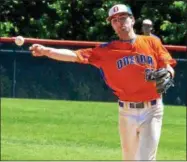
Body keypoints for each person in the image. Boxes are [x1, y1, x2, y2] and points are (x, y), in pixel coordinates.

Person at [29, 4, 176, 161]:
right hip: (126, 112)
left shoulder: (151, 43)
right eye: (114, 20)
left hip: (152, 110)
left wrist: (168, 73)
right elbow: (73, 55)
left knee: (145, 159)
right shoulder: (107, 51)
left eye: (123, 18)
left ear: (132, 20)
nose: (119, 22)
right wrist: (46, 51)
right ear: (112, 26)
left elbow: (168, 66)